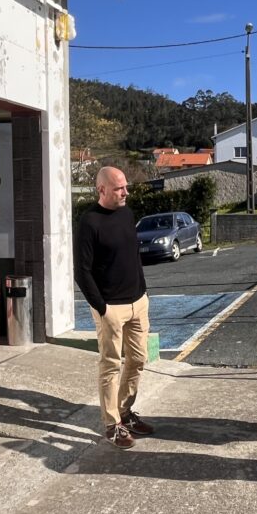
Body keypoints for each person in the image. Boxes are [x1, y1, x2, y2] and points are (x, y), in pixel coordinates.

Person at [74, 166, 155, 449]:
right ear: (102, 190)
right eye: (120, 188)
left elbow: (132, 256)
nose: (125, 192)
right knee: (110, 365)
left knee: (138, 360)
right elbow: (82, 272)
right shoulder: (89, 222)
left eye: (125, 186)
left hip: (138, 303)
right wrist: (102, 308)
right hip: (110, 308)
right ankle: (112, 424)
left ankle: (125, 411)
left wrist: (144, 293)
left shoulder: (127, 214)